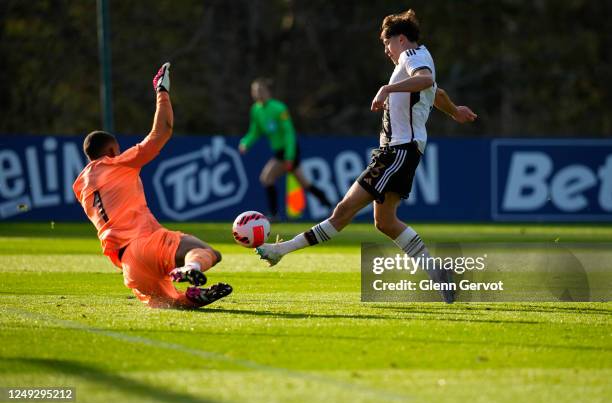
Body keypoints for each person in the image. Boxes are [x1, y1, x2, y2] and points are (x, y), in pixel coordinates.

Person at [255, 10, 477, 303]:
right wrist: (455, 110)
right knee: (385, 222)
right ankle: (438, 272)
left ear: (400, 39)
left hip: (398, 151)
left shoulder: (411, 56)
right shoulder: (418, 56)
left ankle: (280, 250)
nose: (386, 50)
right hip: (402, 151)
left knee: (343, 211)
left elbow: (425, 81)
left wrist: (387, 88)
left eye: (387, 43)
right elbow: (436, 91)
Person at [73, 63, 232, 309]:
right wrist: (162, 91)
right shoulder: (117, 164)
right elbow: (162, 132)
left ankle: (191, 296)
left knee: (171, 303)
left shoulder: (82, 189)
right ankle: (190, 267)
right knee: (208, 253)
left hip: (130, 268)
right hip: (145, 244)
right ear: (112, 150)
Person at [239, 78, 333, 219]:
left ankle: (273, 214)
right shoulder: (256, 110)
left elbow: (289, 133)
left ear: (268, 92)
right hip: (279, 151)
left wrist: (289, 156)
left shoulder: (279, 108)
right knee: (305, 183)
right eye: (255, 91)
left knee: (266, 178)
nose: (258, 94)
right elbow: (255, 131)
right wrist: (246, 142)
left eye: (261, 91)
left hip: (289, 150)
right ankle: (329, 205)